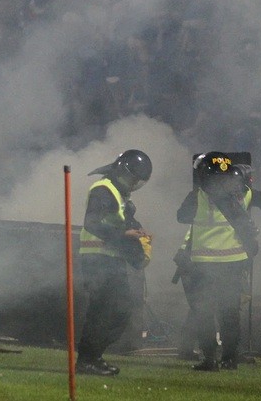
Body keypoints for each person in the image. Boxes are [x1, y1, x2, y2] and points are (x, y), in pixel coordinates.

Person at [176, 152, 260, 371]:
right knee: (229, 313)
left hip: (203, 263)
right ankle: (230, 359)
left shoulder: (197, 196)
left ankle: (210, 359)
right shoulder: (241, 195)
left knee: (204, 312)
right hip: (232, 261)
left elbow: (182, 216)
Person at [76, 149, 153, 376]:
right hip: (97, 259)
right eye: (132, 179)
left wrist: (136, 234)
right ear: (122, 171)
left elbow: (119, 223)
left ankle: (92, 357)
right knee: (103, 312)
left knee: (119, 311)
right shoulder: (103, 190)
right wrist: (125, 235)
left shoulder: (118, 193)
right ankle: (88, 359)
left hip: (110, 259)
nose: (133, 184)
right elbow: (92, 223)